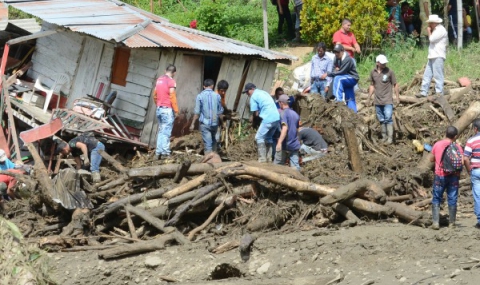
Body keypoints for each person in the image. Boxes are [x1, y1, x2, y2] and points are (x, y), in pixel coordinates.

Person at [430, 126, 463, 230]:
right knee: (452, 198)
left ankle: (435, 223)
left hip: (440, 175)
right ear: (455, 136)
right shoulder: (457, 146)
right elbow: (461, 161)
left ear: (445, 133)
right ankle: (452, 223)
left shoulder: (437, 144)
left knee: (436, 197)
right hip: (454, 176)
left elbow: (431, 159)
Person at [244, 83, 280, 163]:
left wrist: (252, 122)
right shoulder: (264, 92)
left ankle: (262, 159)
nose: (247, 94)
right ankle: (269, 158)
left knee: (258, 137)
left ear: (252, 89)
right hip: (276, 118)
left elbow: (255, 113)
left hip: (268, 118)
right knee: (268, 138)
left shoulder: (253, 97)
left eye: (247, 92)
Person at [367, 55, 399, 145]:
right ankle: (384, 137)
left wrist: (397, 97)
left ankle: (390, 139)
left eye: (385, 62)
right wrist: (369, 98)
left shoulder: (389, 72)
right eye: (382, 63)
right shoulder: (373, 72)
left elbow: (395, 84)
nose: (384, 64)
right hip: (377, 101)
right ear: (377, 63)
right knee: (381, 119)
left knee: (388, 118)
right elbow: (372, 85)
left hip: (387, 100)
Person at [415, 15, 448, 98]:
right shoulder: (437, 30)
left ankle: (439, 92)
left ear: (434, 23)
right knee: (427, 74)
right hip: (433, 55)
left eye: (430, 23)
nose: (429, 25)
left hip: (438, 55)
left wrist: (429, 31)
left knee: (438, 74)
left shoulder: (440, 30)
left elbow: (432, 39)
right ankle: (423, 91)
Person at [190, 79, 224, 154]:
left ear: (204, 86)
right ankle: (215, 158)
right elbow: (220, 111)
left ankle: (209, 161)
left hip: (205, 124)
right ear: (212, 86)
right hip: (215, 124)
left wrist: (192, 124)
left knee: (208, 143)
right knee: (214, 140)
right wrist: (222, 123)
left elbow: (197, 112)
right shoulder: (217, 96)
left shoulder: (200, 96)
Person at [153, 64, 178, 160]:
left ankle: (158, 153)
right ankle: (165, 153)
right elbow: (172, 96)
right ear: (174, 73)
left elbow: (155, 94)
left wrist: (158, 104)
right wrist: (176, 110)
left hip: (159, 108)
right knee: (166, 132)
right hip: (167, 109)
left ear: (165, 70)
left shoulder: (159, 80)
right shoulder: (171, 81)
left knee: (161, 131)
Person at [327, 44, 360, 113]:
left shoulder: (347, 59)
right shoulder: (336, 58)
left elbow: (341, 72)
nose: (336, 54)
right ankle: (354, 114)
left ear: (342, 51)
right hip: (345, 79)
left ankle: (338, 101)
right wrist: (335, 70)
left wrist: (329, 74)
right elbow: (333, 68)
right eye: (335, 52)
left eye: (338, 52)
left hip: (352, 78)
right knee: (350, 98)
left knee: (337, 78)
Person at [275, 95, 301, 170]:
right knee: (295, 167)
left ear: (281, 103)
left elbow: (285, 128)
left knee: (277, 166)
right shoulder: (295, 114)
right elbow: (298, 129)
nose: (279, 105)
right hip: (294, 144)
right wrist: (298, 140)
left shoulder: (283, 113)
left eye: (279, 103)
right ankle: (297, 180)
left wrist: (279, 142)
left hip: (285, 144)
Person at [463, 119, 480, 229]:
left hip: (476, 171)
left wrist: (469, 170)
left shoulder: (471, 141)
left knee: (478, 196)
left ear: (475, 129)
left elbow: (465, 158)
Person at [215, 80, 230, 151]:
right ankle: (215, 149)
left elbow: (223, 104)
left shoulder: (222, 94)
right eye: (222, 91)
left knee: (218, 133)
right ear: (218, 89)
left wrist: (227, 110)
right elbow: (218, 113)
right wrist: (223, 122)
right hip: (214, 117)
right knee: (216, 133)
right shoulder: (215, 96)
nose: (223, 93)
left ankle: (217, 147)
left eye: (225, 91)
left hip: (218, 115)